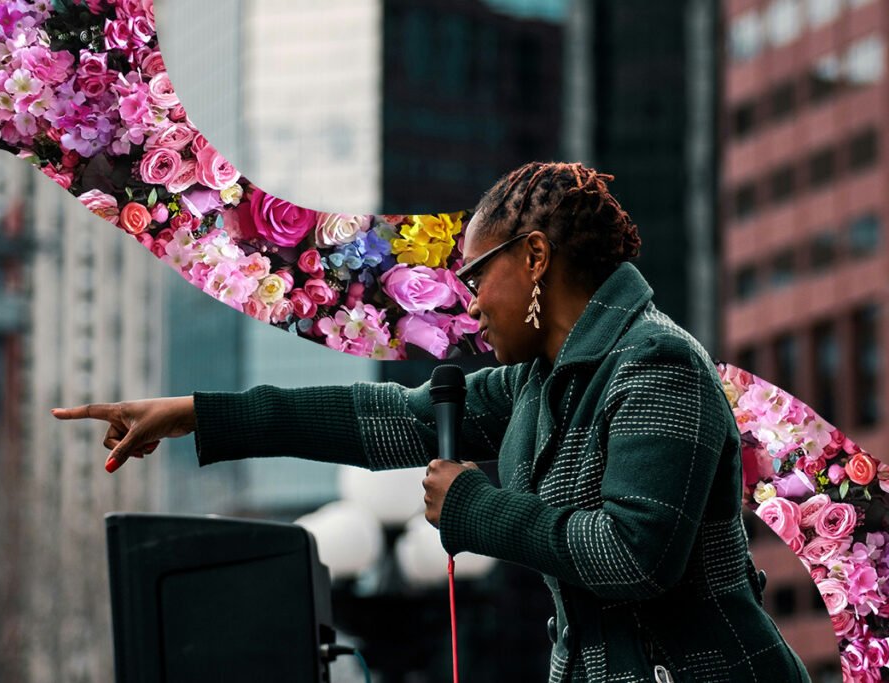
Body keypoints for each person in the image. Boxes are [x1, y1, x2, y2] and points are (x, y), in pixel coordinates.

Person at [53, 161, 810, 682]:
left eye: (479, 274)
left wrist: (478, 509)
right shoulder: (540, 385)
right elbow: (383, 417)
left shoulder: (657, 365)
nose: (471, 300)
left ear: (537, 257)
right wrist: (202, 415)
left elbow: (635, 555)